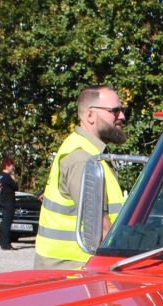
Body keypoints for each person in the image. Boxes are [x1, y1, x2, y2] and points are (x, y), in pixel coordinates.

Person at [36, 87, 130, 270]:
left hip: (77, 269)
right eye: (115, 111)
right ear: (90, 115)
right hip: (72, 272)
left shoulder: (90, 152)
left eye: (122, 110)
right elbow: (100, 229)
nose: (122, 116)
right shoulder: (82, 158)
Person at [0, 157, 18, 251]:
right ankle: (6, 243)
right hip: (8, 201)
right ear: (7, 166)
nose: (13, 168)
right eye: (12, 166)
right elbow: (15, 187)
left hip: (2, 200)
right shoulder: (7, 177)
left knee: (4, 222)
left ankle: (2, 242)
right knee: (7, 222)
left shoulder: (0, 176)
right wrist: (13, 179)